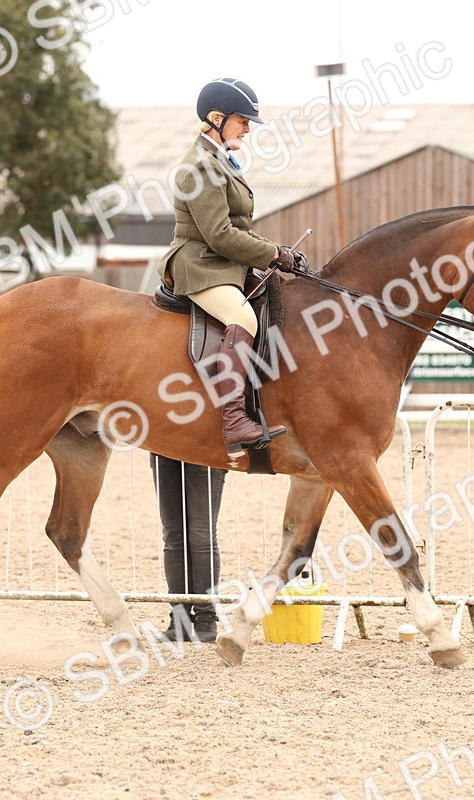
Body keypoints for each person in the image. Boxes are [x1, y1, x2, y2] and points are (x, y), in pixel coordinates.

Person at [156, 77, 310, 455]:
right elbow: (220, 235)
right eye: (242, 121)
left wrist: (278, 251)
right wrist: (271, 254)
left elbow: (238, 228)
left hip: (222, 263)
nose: (247, 129)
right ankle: (235, 421)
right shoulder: (199, 167)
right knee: (243, 318)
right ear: (216, 118)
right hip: (200, 264)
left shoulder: (219, 161)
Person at [150, 453, 227, 642]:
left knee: (202, 536)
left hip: (205, 451)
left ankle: (206, 617)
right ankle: (179, 619)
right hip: (162, 449)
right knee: (173, 536)